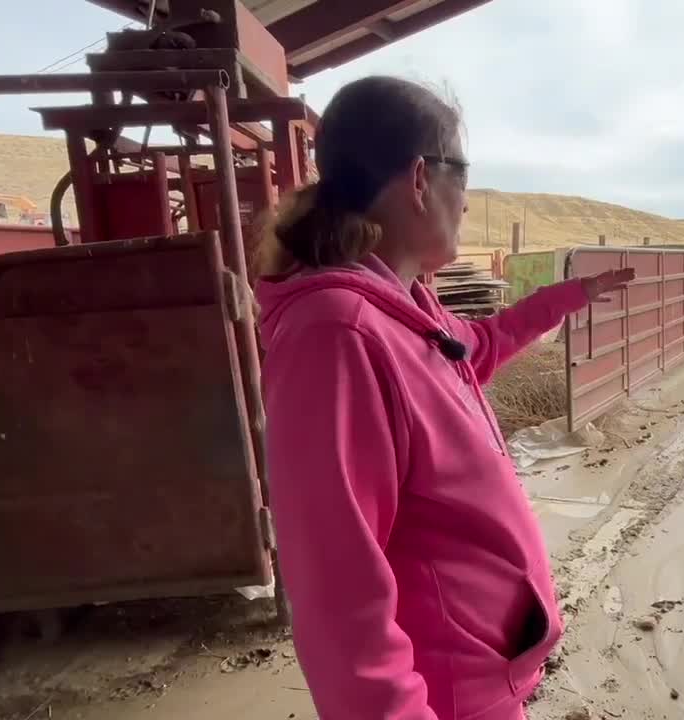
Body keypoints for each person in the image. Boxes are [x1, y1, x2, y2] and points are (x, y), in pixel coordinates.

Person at [254, 76, 634, 720]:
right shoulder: (338, 334)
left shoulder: (406, 307)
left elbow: (475, 347)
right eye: (463, 174)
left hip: (484, 678)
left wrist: (569, 297)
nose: (466, 201)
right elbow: (337, 596)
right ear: (420, 178)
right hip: (445, 699)